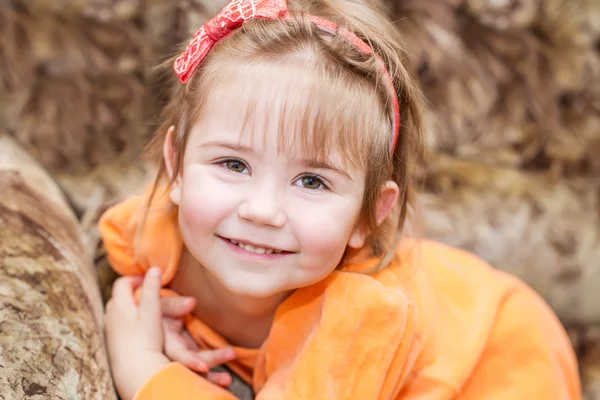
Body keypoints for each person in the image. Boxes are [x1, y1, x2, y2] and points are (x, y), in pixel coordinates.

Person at [100, 0, 581, 399]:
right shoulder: (146, 230)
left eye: (312, 181)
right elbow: (125, 264)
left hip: (498, 353)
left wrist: (141, 364)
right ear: (177, 166)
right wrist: (148, 303)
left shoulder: (361, 315)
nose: (261, 211)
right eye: (233, 165)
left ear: (368, 216)